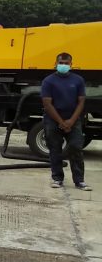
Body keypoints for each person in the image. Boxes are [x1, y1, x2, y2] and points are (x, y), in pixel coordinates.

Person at [41, 52, 91, 191]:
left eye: (66, 63)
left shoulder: (78, 80)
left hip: (73, 119)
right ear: (55, 64)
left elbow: (81, 102)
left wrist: (71, 121)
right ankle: (57, 178)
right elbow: (47, 103)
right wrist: (61, 122)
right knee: (55, 149)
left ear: (71, 64)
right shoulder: (48, 81)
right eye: (61, 63)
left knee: (76, 147)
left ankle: (79, 181)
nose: (63, 65)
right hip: (53, 120)